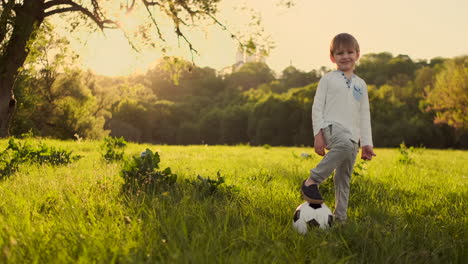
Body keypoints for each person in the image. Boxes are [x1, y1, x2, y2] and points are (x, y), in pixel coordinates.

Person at [301, 33, 376, 223]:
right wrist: (318, 134)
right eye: (340, 53)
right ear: (332, 57)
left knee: (344, 179)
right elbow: (317, 107)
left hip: (353, 138)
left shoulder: (361, 84)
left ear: (358, 54)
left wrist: (366, 143)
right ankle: (312, 181)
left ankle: (340, 219)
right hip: (331, 128)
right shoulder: (328, 79)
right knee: (343, 145)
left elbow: (364, 115)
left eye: (350, 52)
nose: (345, 56)